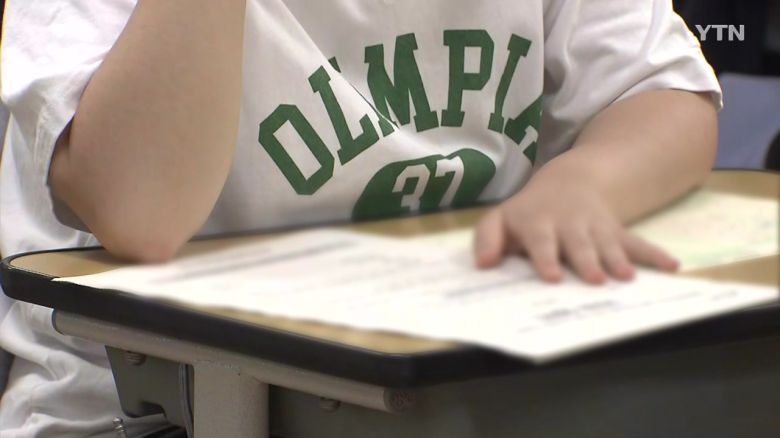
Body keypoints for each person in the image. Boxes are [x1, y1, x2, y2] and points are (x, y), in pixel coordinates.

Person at [0, 0, 720, 436]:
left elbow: (663, 91)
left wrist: (584, 185)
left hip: (453, 387)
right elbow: (141, 209)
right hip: (154, 409)